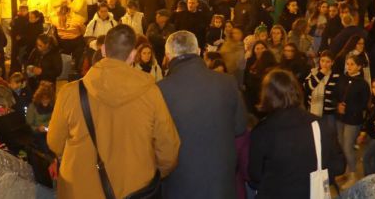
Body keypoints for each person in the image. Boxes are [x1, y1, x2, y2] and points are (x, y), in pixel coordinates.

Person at [48, 25, 180, 199]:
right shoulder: (150, 92)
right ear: (133, 55)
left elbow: (55, 143)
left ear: (102, 50)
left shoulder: (70, 92)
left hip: (80, 189)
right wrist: (155, 171)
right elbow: (168, 148)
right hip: (134, 188)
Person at [157, 31, 247, 199]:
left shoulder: (160, 90)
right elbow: (240, 127)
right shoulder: (227, 82)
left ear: (168, 56)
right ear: (198, 51)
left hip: (179, 183)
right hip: (221, 181)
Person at [249, 69, 345, 198]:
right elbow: (339, 165)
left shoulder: (262, 131)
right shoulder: (318, 125)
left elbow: (255, 175)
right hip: (311, 193)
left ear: (267, 95)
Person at [333, 53, 370, 188]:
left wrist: (347, 108)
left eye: (352, 64)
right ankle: (347, 171)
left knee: (348, 146)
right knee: (342, 145)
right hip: (340, 117)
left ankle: (353, 175)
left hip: (353, 120)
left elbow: (364, 104)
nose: (349, 67)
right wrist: (337, 104)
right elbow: (335, 94)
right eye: (347, 64)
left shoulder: (363, 84)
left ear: (359, 66)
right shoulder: (342, 78)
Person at [304, 51, 339, 131]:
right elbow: (308, 87)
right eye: (322, 61)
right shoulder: (313, 72)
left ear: (332, 63)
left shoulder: (336, 76)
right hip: (313, 111)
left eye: (328, 62)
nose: (324, 64)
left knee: (328, 135)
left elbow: (338, 93)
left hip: (329, 114)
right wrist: (321, 74)